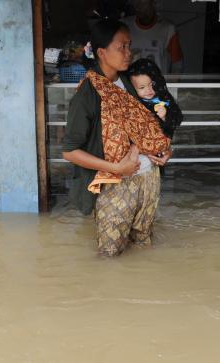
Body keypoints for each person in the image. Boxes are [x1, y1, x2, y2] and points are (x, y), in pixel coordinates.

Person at [62, 19, 172, 257]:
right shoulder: (87, 94)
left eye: (129, 45)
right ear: (102, 52)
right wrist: (116, 167)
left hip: (148, 178)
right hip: (113, 184)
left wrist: (161, 149)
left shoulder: (131, 81)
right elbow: (69, 151)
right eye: (121, 47)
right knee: (109, 255)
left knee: (143, 246)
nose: (128, 52)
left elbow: (148, 124)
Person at [122, 0, 183, 73]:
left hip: (158, 82)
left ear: (153, 3)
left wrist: (173, 83)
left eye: (142, 3)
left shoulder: (168, 29)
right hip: (129, 82)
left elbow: (177, 63)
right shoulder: (124, 26)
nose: (138, 7)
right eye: (136, 3)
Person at [128, 58, 183, 139]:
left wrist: (165, 116)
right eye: (142, 87)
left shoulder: (164, 97)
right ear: (133, 88)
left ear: (159, 81)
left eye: (152, 84)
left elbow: (178, 118)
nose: (148, 90)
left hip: (161, 146)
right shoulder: (133, 103)